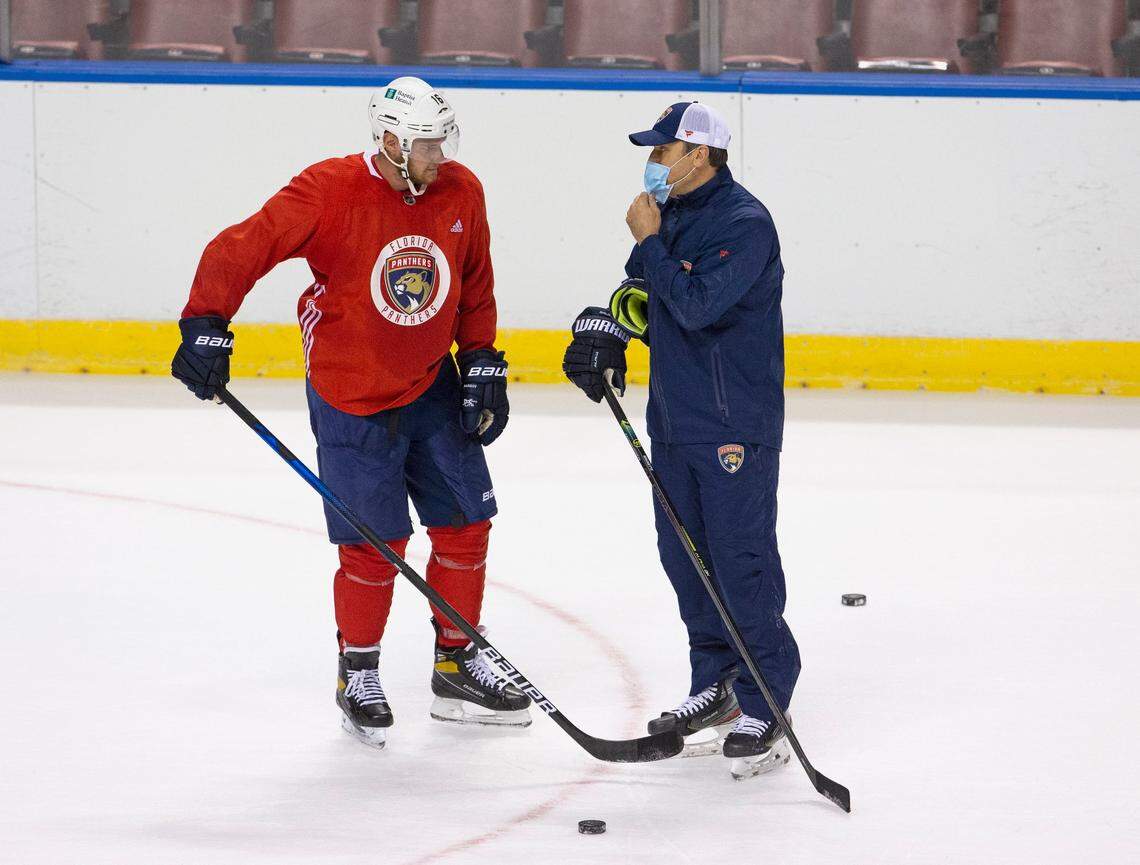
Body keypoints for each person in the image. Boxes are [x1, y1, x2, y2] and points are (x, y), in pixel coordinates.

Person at [171, 76, 531, 750]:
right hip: (351, 391)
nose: (439, 154)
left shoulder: (461, 190)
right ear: (391, 141)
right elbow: (242, 245)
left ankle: (456, 664)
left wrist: (481, 359)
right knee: (375, 543)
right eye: (426, 143)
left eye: (442, 140)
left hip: (431, 384)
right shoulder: (330, 189)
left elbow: (473, 278)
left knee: (467, 522)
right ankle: (358, 669)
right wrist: (206, 322)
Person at [562, 102, 800, 779]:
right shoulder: (669, 220)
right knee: (685, 556)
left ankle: (767, 696)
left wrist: (647, 241)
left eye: (662, 152)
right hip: (672, 420)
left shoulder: (745, 224)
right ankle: (717, 682)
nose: (652, 163)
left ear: (699, 155)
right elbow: (643, 298)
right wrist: (602, 334)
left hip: (734, 427)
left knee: (739, 560)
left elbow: (697, 305)